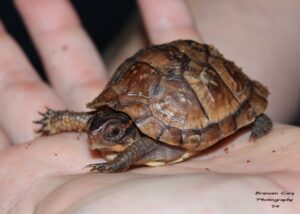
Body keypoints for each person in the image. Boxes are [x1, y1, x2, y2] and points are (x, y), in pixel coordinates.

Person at [0, 0, 299, 213]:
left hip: (213, 89)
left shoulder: (140, 142)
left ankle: (254, 114)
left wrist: (117, 163)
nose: (99, 137)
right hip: (155, 77)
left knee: (254, 119)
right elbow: (89, 121)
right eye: (101, 129)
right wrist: (58, 120)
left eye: (114, 133)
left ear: (129, 131)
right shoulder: (114, 125)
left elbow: (136, 148)